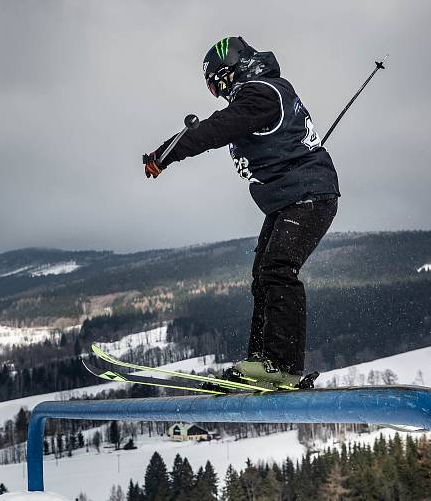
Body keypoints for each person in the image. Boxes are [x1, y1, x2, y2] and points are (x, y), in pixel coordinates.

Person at [143, 36, 339, 389]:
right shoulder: (264, 94)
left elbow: (215, 129)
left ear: (234, 71)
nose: (221, 94)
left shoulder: (261, 93)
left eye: (220, 84)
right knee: (262, 274)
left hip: (308, 195)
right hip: (290, 197)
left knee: (278, 269)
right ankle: (261, 363)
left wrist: (166, 153)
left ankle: (280, 365)